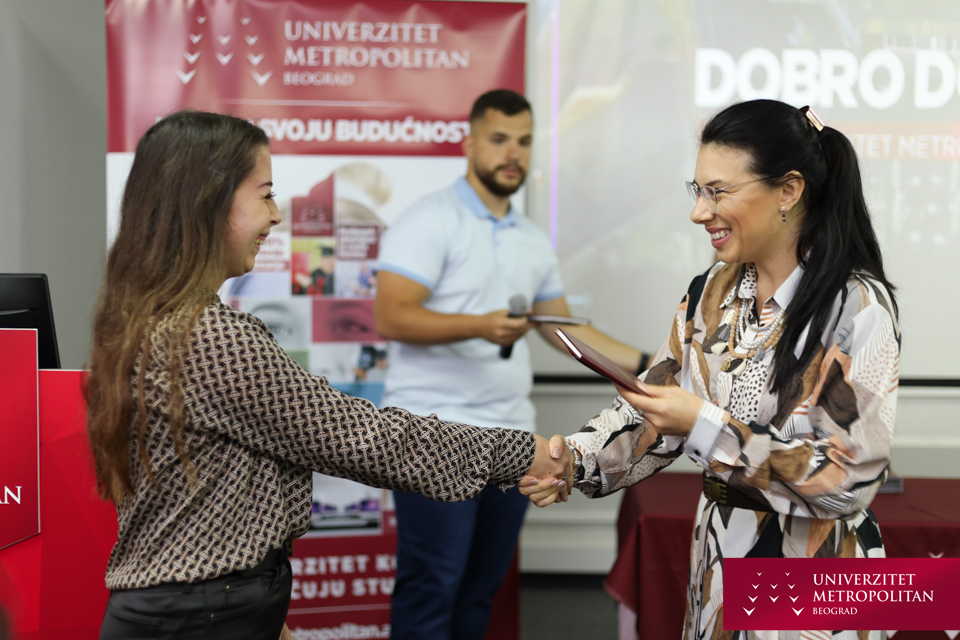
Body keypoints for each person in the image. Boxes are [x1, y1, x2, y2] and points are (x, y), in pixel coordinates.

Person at [83, 110, 571, 640]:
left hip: (205, 609)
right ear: (208, 200)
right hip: (197, 617)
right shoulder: (209, 336)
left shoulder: (147, 319)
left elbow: (206, 490)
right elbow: (362, 438)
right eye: (266, 195)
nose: (276, 215)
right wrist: (521, 453)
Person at [522, 99, 900, 640]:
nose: (699, 213)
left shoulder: (856, 307)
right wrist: (571, 460)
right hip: (720, 558)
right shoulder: (712, 291)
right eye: (697, 191)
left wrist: (703, 424)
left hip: (817, 576)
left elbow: (845, 483)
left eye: (718, 192)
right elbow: (652, 407)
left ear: (789, 191)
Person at [374, 89, 647, 640]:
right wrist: (478, 324)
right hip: (433, 435)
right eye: (499, 140)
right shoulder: (430, 219)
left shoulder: (529, 238)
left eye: (523, 142)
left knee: (480, 592)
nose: (512, 154)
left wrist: (650, 365)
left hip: (510, 438)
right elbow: (392, 316)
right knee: (432, 588)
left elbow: (559, 326)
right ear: (470, 144)